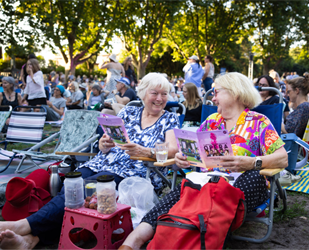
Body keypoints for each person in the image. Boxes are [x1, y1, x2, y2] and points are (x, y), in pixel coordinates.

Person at [0, 73, 180, 249]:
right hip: (102, 163)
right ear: (143, 93)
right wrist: (105, 143)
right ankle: (32, 240)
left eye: (164, 94)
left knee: (81, 190)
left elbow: (172, 148)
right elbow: (106, 143)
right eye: (155, 93)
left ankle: (26, 226)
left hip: (133, 171)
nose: (160, 99)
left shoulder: (169, 118)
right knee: (71, 186)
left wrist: (144, 150)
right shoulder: (128, 113)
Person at [119, 72, 288, 250]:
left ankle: (191, 239)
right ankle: (131, 244)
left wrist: (252, 163)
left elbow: (283, 158)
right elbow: (192, 153)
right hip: (206, 185)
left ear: (235, 93)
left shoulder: (258, 122)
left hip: (241, 186)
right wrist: (182, 158)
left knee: (252, 177)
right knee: (178, 193)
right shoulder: (211, 122)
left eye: (216, 92)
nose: (213, 98)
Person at [281, 74, 309, 138]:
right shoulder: (308, 106)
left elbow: (288, 130)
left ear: (297, 91)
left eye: (289, 91)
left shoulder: (303, 107)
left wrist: (274, 120)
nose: (287, 94)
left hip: (296, 146)